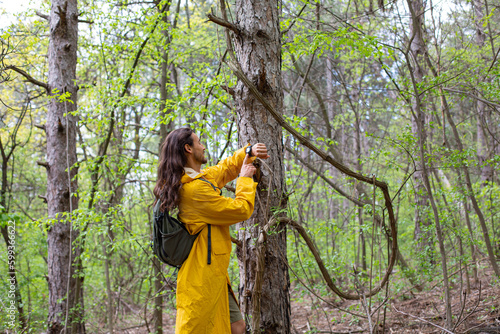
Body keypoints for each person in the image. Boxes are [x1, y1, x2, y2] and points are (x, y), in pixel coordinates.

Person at [153, 127, 270, 334]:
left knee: (236, 326)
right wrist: (244, 179)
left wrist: (248, 152)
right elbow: (241, 210)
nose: (203, 146)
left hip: (213, 273)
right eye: (199, 143)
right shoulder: (194, 190)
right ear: (188, 149)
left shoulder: (198, 179)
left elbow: (224, 169)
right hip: (200, 277)